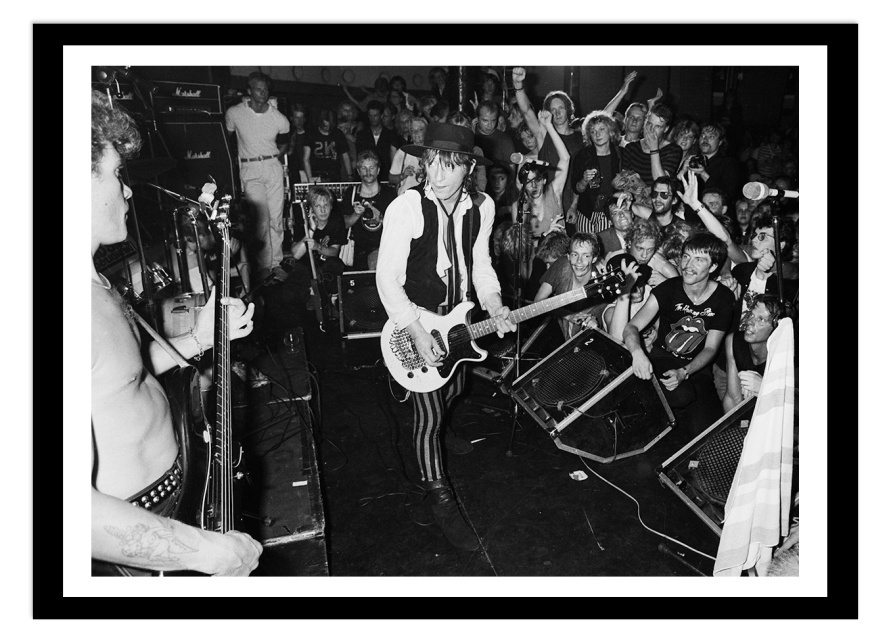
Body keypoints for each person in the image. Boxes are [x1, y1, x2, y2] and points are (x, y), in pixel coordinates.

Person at [91, 89, 262, 575]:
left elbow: (127, 376)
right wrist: (209, 552)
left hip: (176, 504)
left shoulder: (94, 280)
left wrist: (200, 340)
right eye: (115, 174)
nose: (126, 191)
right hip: (133, 545)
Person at [375, 122, 515, 551]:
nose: (437, 174)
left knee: (455, 388)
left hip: (457, 322)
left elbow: (481, 263)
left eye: (449, 166)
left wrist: (493, 303)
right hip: (413, 320)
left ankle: (442, 422)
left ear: (468, 168)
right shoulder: (407, 207)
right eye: (432, 162)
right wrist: (415, 331)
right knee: (429, 416)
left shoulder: (484, 207)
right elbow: (385, 280)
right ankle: (439, 497)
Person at [623, 232, 735, 436]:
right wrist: (637, 353)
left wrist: (684, 372)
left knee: (708, 434)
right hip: (663, 359)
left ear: (712, 267)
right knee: (681, 395)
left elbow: (710, 348)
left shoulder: (723, 298)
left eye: (699, 260)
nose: (688, 265)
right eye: (686, 257)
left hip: (697, 367)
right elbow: (631, 327)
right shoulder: (668, 289)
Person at [224, 71, 291, 283]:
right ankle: (264, 268)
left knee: (276, 218)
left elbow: (286, 142)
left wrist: (272, 159)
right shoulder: (234, 113)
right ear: (249, 91)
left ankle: (276, 264)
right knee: (261, 221)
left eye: (266, 89)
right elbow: (227, 141)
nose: (263, 93)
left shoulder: (279, 118)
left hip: (272, 167)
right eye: (259, 89)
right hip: (249, 169)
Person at [512, 67, 584, 215]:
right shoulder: (543, 133)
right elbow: (526, 110)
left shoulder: (580, 137)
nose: (557, 113)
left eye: (561, 108)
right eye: (553, 109)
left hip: (576, 201)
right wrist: (518, 85)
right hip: (547, 200)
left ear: (568, 110)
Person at [511, 110, 569, 242]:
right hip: (535, 260)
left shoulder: (554, 193)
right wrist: (545, 236)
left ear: (543, 180)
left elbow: (565, 158)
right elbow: (520, 244)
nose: (534, 185)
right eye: (529, 181)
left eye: (537, 180)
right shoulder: (519, 207)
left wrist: (548, 125)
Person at [533, 232, 604, 340]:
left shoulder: (602, 284)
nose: (579, 261)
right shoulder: (561, 265)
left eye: (586, 255)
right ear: (568, 256)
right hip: (558, 335)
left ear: (594, 259)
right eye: (575, 254)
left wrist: (595, 323)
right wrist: (568, 315)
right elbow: (538, 302)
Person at [722, 294, 786, 412]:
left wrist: (764, 388)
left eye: (760, 319)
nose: (749, 321)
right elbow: (733, 398)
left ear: (776, 328)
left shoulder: (787, 356)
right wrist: (735, 429)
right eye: (752, 314)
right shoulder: (734, 341)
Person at [288, 185, 348, 303]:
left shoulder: (336, 222)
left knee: (335, 264)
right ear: (311, 209)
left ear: (331, 207)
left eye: (326, 205)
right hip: (306, 267)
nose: (323, 210)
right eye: (318, 206)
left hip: (326, 267)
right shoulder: (303, 224)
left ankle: (333, 300)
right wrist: (311, 229)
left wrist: (317, 246)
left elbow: (334, 252)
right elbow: (296, 255)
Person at [569, 110, 624, 234]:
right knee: (585, 248)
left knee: (606, 248)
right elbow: (576, 189)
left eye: (601, 129)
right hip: (586, 212)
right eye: (593, 131)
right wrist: (584, 181)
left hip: (610, 211)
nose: (597, 134)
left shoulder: (621, 154)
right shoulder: (582, 156)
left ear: (611, 131)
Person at [344, 150, 397, 271]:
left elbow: (399, 225)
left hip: (385, 253)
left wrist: (383, 219)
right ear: (358, 171)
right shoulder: (351, 193)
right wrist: (356, 214)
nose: (368, 172)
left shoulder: (389, 193)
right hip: (359, 254)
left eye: (371, 168)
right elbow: (343, 224)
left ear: (378, 170)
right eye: (364, 168)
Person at [621, 103, 683, 185]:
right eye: (649, 124)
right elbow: (623, 182)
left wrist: (654, 150)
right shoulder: (631, 148)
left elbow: (661, 182)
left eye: (657, 126)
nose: (651, 130)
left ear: (666, 129)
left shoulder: (673, 150)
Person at [356, 100, 400, 184]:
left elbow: (394, 159)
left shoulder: (391, 135)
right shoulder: (361, 135)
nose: (372, 119)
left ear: (381, 115)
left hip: (386, 177)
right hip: (367, 177)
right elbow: (359, 158)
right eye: (370, 115)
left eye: (375, 115)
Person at [303, 107, 352, 182]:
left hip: (334, 174)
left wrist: (350, 175)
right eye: (325, 126)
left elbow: (345, 156)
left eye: (330, 125)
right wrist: (310, 178)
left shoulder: (338, 134)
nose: (327, 128)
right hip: (317, 175)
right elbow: (306, 158)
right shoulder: (310, 134)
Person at [389, 116, 428, 194]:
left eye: (420, 130)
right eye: (413, 130)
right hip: (406, 197)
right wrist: (402, 176)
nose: (416, 133)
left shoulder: (433, 152)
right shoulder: (403, 152)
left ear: (426, 131)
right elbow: (391, 178)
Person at [474, 100, 516, 169]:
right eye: (485, 120)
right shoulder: (470, 136)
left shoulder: (504, 140)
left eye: (493, 120)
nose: (490, 125)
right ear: (477, 119)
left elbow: (511, 171)